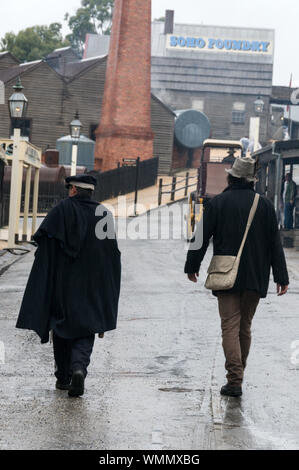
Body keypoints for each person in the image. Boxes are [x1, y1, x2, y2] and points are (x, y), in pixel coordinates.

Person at [184, 157, 289, 398]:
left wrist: (192, 265)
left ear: (231, 178)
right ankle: (238, 373)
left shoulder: (219, 203)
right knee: (245, 326)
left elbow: (201, 236)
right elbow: (275, 244)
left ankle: (234, 380)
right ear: (251, 180)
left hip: (225, 274)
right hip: (255, 276)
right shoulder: (264, 205)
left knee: (229, 326)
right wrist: (281, 277)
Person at [16, 174, 121, 397]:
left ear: (73, 190)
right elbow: (111, 254)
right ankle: (79, 368)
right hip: (92, 285)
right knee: (86, 327)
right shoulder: (104, 214)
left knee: (61, 327)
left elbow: (44, 245)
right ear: (91, 191)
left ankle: (63, 377)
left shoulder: (61, 210)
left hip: (63, 283)